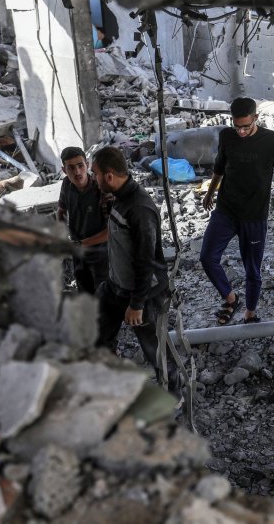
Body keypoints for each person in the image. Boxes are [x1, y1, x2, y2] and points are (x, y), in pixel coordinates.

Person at [92, 146, 180, 395]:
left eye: (96, 175)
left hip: (143, 294)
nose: (94, 180)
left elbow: (146, 260)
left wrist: (137, 304)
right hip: (115, 287)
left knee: (155, 348)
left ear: (109, 176)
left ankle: (175, 393)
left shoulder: (139, 208)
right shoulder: (120, 198)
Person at [200, 97, 274, 325]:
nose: (241, 131)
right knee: (207, 257)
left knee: (252, 269)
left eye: (246, 126)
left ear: (256, 118)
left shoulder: (272, 140)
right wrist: (210, 192)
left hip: (254, 214)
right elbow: (219, 167)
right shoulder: (227, 136)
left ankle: (250, 313)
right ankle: (231, 299)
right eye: (237, 126)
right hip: (226, 209)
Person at [56, 146, 110, 294]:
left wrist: (82, 243)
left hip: (101, 253)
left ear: (87, 164)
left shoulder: (101, 189)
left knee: (104, 295)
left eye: (80, 166)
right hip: (78, 252)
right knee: (84, 292)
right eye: (71, 168)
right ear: (64, 170)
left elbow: (112, 231)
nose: (77, 172)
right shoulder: (66, 184)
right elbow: (61, 210)